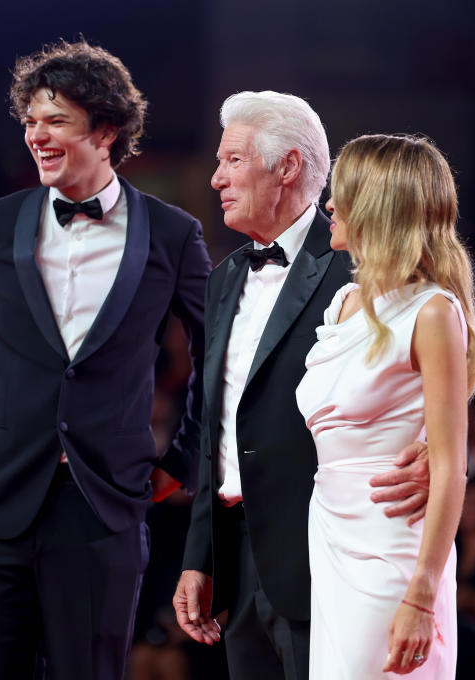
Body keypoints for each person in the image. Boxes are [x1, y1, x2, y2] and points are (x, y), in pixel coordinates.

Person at [0, 40, 210, 680]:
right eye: (30, 122)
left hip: (103, 508)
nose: (36, 137)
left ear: (106, 131)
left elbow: (219, 360)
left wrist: (182, 460)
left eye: (56, 122)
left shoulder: (174, 234)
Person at [173, 93, 432, 680]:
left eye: (233, 161)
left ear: (286, 167)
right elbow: (217, 424)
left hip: (334, 554)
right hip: (237, 563)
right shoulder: (224, 279)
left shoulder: (359, 263)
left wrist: (439, 450)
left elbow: (440, 347)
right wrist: (200, 557)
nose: (216, 178)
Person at [296, 134, 475, 677]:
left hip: (394, 550)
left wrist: (423, 594)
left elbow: (452, 466)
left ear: (379, 206)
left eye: (344, 193)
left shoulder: (431, 312)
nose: (329, 205)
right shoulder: (341, 304)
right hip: (331, 538)